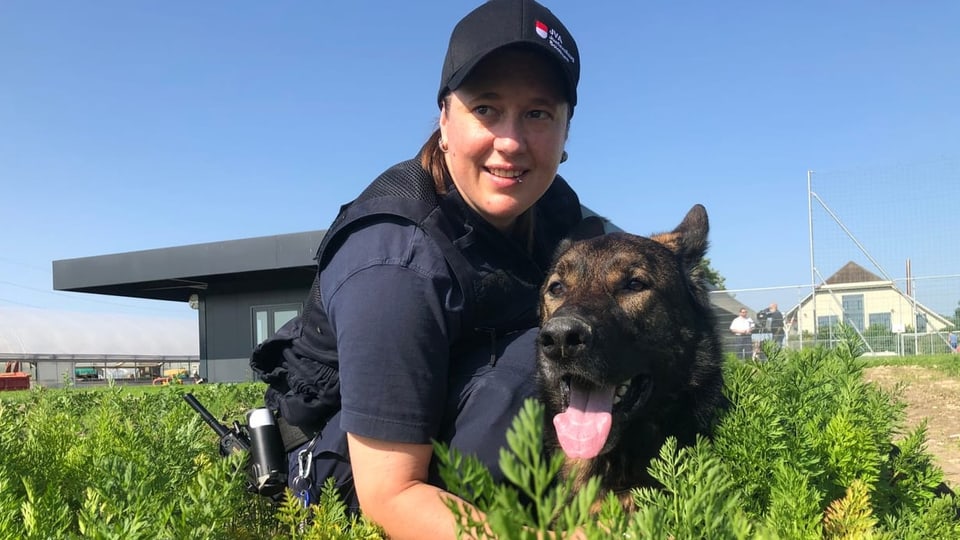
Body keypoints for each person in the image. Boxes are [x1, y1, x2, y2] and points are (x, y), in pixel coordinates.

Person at [250, 1, 584, 537]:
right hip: (346, 473)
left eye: (538, 114)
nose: (512, 142)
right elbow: (393, 494)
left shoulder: (552, 209)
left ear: (567, 133)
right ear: (445, 120)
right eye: (487, 108)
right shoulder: (398, 261)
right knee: (526, 374)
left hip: (444, 424)